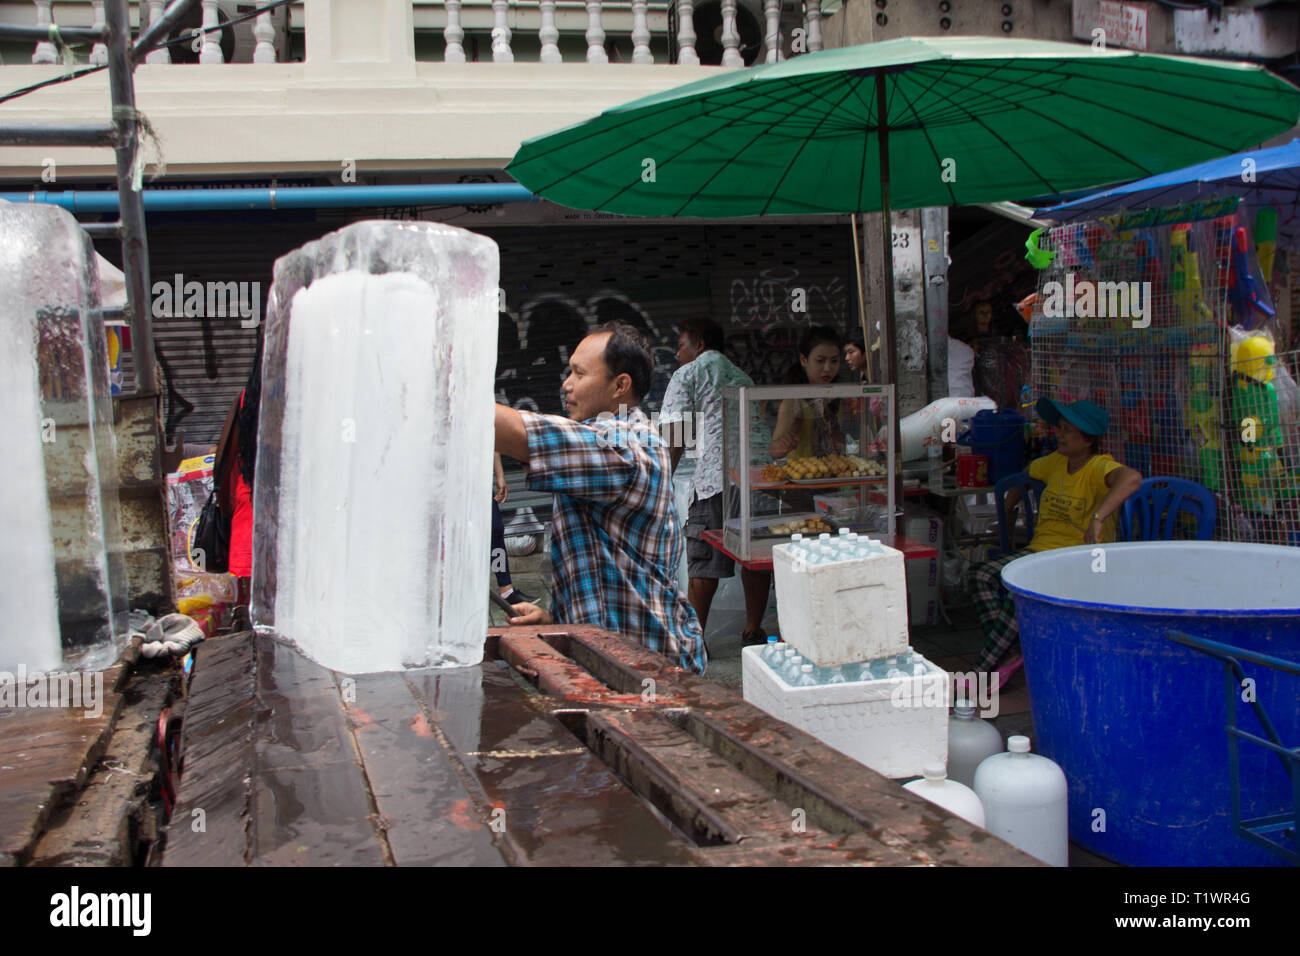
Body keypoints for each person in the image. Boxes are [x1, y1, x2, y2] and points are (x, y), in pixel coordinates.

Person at [493, 320, 706, 675]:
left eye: (579, 374)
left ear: (620, 385)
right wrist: (554, 618)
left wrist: (440, 380)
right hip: (609, 659)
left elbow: (519, 432)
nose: (566, 384)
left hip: (649, 668)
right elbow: (603, 569)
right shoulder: (603, 440)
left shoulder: (627, 445)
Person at [971, 398, 1142, 682]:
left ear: (1088, 440)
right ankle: (1011, 653)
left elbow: (1133, 479)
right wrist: (1010, 506)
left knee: (1020, 591)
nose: (1059, 435)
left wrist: (1097, 518)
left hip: (1076, 559)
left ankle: (983, 669)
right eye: (1059, 428)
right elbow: (1025, 475)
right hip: (1039, 553)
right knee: (980, 574)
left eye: (1067, 430)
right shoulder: (1055, 463)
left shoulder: (1099, 467)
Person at [660, 316, 772, 646]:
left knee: (704, 560)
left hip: (715, 479)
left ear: (700, 345)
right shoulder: (743, 376)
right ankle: (753, 631)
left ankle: (695, 641)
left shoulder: (689, 373)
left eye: (681, 346)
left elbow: (676, 432)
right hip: (757, 477)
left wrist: (662, 480)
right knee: (754, 556)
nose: (677, 355)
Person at [770, 325, 846, 459]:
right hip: (804, 474)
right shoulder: (793, 401)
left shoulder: (838, 395)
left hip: (835, 473)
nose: (828, 368)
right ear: (804, 360)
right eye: (820, 361)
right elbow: (774, 451)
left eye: (834, 361)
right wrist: (785, 444)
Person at [491, 452, 536, 606]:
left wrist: (500, 475)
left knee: (495, 529)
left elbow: (493, 441)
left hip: (478, 481)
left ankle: (506, 590)